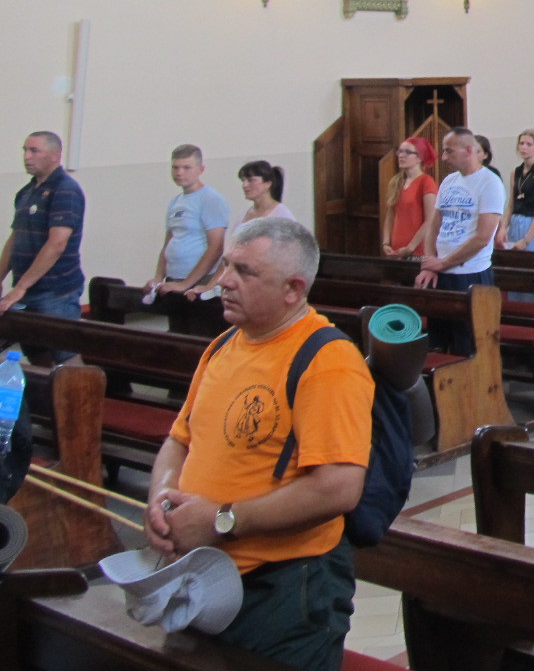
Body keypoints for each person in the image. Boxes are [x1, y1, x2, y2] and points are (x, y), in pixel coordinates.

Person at [144, 217, 373, 671]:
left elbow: (338, 488)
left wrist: (222, 521)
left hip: (282, 590)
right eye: (227, 265)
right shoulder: (224, 345)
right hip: (203, 575)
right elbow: (179, 439)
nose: (224, 281)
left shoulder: (327, 361)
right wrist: (163, 501)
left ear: (293, 289)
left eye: (244, 272)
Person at [417, 127, 506, 353]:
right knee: (437, 343)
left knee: (467, 346)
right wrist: (430, 263)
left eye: (449, 151)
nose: (444, 157)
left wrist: (443, 263)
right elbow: (434, 224)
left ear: (468, 150)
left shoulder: (490, 183)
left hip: (470, 274)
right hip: (441, 273)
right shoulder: (449, 181)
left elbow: (483, 237)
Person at [1, 132, 86, 365]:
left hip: (56, 292)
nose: (26, 157)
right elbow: (15, 239)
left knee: (66, 358)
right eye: (25, 150)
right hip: (29, 291)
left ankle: (77, 392)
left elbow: (57, 244)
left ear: (55, 155)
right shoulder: (26, 192)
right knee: (36, 354)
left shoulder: (65, 189)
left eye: (34, 151)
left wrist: (20, 287)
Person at [149, 145, 231, 297]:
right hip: (174, 278)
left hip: (199, 281)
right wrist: (158, 278)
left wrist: (185, 284)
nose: (179, 172)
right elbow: (167, 244)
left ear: (201, 169)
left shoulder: (210, 199)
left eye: (186, 168)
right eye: (175, 167)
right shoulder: (176, 202)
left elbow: (216, 248)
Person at [224, 161, 295, 258]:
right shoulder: (244, 214)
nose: (244, 185)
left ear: (267, 184)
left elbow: (290, 251)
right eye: (243, 180)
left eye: (250, 180)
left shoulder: (282, 215)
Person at [381, 136, 437, 258]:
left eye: (407, 152)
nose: (401, 155)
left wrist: (411, 247)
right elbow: (390, 216)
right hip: (396, 251)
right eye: (400, 151)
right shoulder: (397, 182)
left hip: (417, 252)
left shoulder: (426, 182)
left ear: (419, 158)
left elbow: (430, 220)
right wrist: (386, 243)